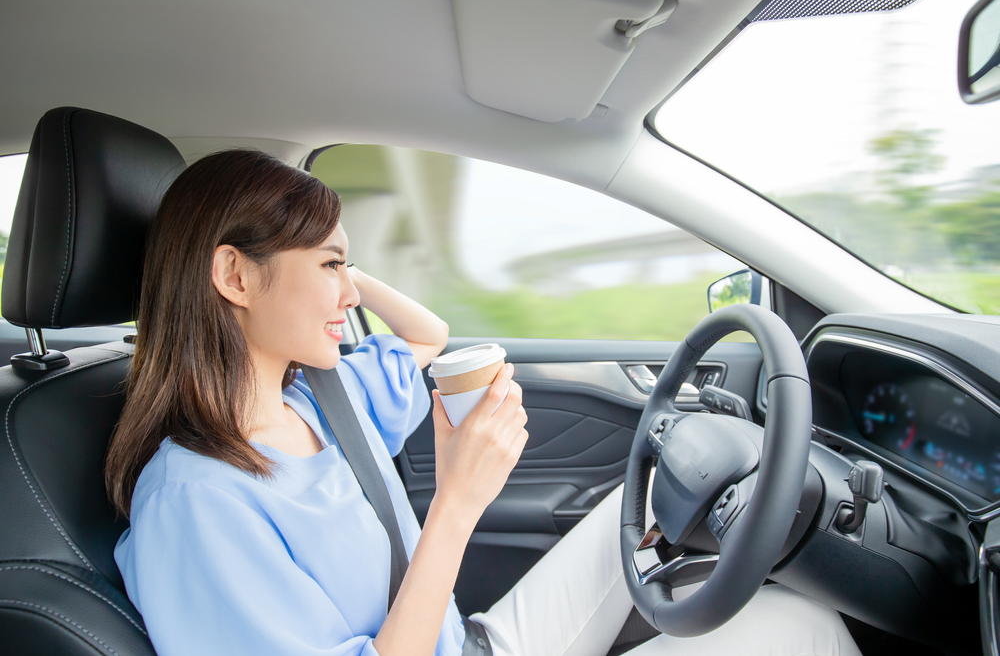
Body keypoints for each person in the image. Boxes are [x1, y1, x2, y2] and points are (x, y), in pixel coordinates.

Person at [106, 150, 861, 656]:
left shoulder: (317, 395)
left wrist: (341, 271)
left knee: (664, 488)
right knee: (809, 625)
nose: (348, 291)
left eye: (351, 264)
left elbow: (429, 335)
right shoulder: (193, 503)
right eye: (331, 263)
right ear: (234, 277)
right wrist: (458, 499)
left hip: (465, 639)